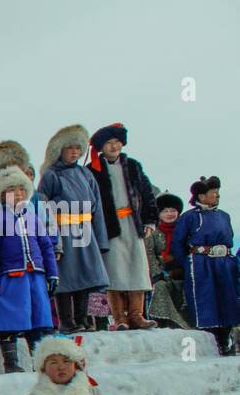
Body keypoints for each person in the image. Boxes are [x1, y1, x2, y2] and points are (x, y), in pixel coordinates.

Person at [0, 167, 58, 373]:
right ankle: (11, 363)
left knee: (38, 319)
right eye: (12, 190)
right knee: (10, 319)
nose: (18, 194)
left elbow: (46, 246)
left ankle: (40, 362)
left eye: (22, 190)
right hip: (11, 277)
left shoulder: (33, 217)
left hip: (35, 276)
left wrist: (52, 273)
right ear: (1, 194)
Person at [36, 124, 110, 333]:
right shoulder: (51, 175)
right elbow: (43, 206)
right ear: (60, 150)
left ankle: (85, 318)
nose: (75, 152)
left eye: (78, 149)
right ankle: (67, 321)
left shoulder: (85, 174)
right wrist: (50, 238)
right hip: (63, 231)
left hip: (84, 230)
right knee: (66, 278)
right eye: (70, 148)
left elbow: (97, 207)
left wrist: (100, 239)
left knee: (87, 276)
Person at [86, 123, 157, 330]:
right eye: (109, 143)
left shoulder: (133, 166)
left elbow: (147, 193)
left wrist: (150, 220)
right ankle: (119, 318)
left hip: (132, 223)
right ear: (101, 147)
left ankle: (137, 315)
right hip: (109, 225)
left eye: (117, 142)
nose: (114, 146)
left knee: (137, 268)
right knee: (114, 271)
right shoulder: (92, 170)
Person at [171, 175, 238, 356]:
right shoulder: (189, 218)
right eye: (213, 192)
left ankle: (226, 338)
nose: (217, 195)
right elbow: (178, 243)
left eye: (217, 192)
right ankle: (209, 340)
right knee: (205, 299)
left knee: (227, 298)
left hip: (224, 263)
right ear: (201, 196)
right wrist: (186, 263)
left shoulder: (224, 216)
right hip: (201, 263)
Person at [145, 193, 188, 329]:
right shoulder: (153, 233)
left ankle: (187, 320)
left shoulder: (185, 230)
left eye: (173, 210)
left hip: (183, 271)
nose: (169, 214)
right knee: (161, 288)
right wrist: (158, 274)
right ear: (159, 214)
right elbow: (150, 254)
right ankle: (162, 321)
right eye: (165, 211)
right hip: (162, 273)